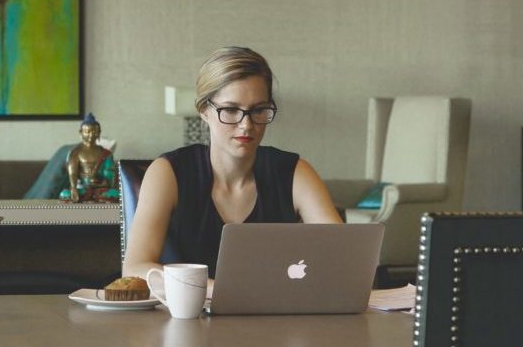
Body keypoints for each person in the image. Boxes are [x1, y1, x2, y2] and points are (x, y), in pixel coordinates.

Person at [122, 47, 341, 285]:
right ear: (204, 110)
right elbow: (135, 269)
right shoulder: (168, 172)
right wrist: (221, 290)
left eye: (258, 110)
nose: (246, 125)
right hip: (184, 318)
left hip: (273, 318)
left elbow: (344, 258)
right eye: (231, 110)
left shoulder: (295, 172)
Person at [59, 113, 120, 203]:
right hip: (83, 189)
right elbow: (73, 174)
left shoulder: (106, 154)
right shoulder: (75, 152)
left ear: (99, 132)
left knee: (116, 194)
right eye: (87, 132)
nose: (91, 135)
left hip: (100, 190)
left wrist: (101, 182)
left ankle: (93, 196)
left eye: (94, 132)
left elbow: (109, 178)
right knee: (65, 194)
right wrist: (73, 188)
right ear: (81, 132)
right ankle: (93, 197)